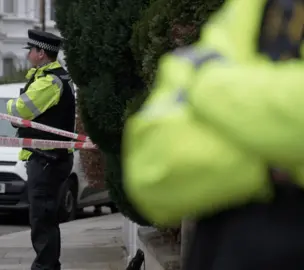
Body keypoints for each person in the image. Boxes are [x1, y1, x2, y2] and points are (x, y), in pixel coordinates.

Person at [122, 0, 304, 269]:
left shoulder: (212, 66)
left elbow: (195, 79)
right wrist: (281, 158)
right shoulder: (248, 8)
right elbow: (152, 168)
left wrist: (205, 86)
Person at [6, 29, 76, 270]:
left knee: (42, 220)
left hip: (48, 159)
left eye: (31, 51)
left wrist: (11, 107)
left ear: (41, 53)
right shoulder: (47, 77)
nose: (28, 56)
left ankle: (45, 268)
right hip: (48, 158)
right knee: (43, 218)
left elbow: (18, 110)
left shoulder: (49, 81)